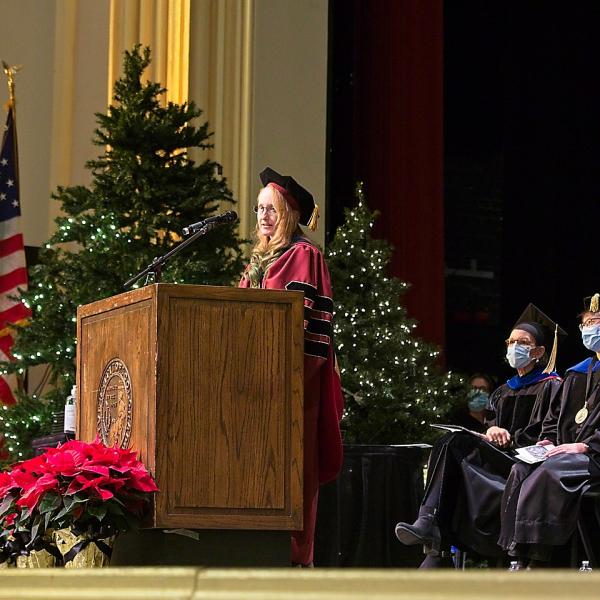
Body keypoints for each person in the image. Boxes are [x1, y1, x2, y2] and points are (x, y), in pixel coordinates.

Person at [394, 304, 564, 566]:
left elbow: (549, 434)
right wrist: (491, 431)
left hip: (525, 463)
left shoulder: (553, 386)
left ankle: (432, 532)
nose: (514, 347)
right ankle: (430, 527)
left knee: (457, 443)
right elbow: (492, 426)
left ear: (540, 352)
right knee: (450, 440)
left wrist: (510, 437)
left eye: (523, 342)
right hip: (498, 455)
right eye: (511, 341)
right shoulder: (503, 391)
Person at [239, 167, 344, 567]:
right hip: (253, 385)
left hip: (292, 387)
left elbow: (309, 329)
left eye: (273, 209)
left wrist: (285, 374)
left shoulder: (304, 255)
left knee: (292, 477)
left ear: (290, 215)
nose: (264, 217)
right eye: (259, 209)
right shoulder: (257, 263)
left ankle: (295, 564)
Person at [498, 294, 600, 567]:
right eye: (587, 323)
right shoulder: (577, 373)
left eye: (597, 322)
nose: (590, 328)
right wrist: (548, 440)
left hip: (592, 456)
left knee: (551, 470)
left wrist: (587, 445)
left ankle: (539, 557)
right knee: (521, 468)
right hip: (564, 452)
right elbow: (554, 418)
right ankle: (514, 554)